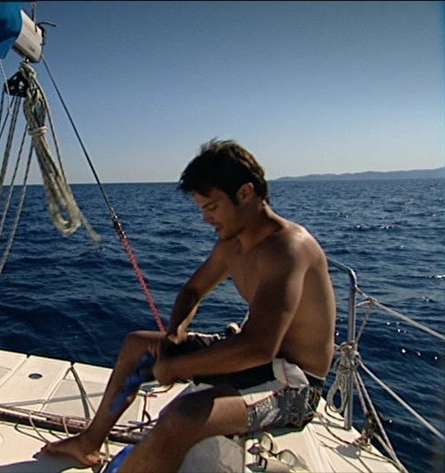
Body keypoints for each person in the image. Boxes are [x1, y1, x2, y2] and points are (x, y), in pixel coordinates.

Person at [41, 139, 336, 472]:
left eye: (211, 207)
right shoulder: (232, 245)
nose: (205, 219)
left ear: (245, 192)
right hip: (255, 365)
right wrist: (176, 332)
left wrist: (177, 367)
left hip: (295, 383)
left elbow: (259, 347)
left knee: (181, 417)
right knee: (137, 345)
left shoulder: (287, 249)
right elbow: (193, 290)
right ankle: (88, 443)